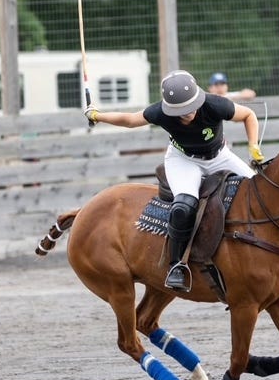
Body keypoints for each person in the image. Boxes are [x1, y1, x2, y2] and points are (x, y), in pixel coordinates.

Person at [85, 69, 264, 291]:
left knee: (259, 191)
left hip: (219, 156)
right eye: (179, 111)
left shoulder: (215, 104)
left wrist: (253, 146)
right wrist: (98, 115)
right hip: (183, 159)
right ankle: (177, 265)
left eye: (189, 109)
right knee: (184, 205)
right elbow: (130, 120)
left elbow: (248, 115)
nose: (185, 114)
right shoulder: (161, 112)